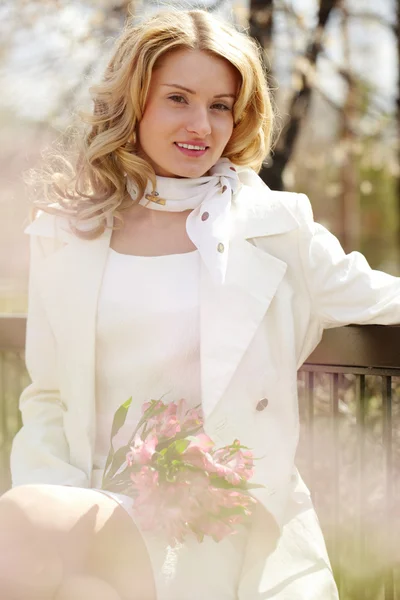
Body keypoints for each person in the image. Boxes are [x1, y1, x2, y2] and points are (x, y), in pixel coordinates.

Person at [1, 7, 399, 600]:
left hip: (220, 522)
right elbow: (50, 397)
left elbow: (379, 296)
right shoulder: (67, 235)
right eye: (178, 99)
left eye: (220, 105)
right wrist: (64, 507)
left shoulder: (273, 227)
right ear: (134, 104)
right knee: (47, 544)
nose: (201, 124)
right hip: (99, 508)